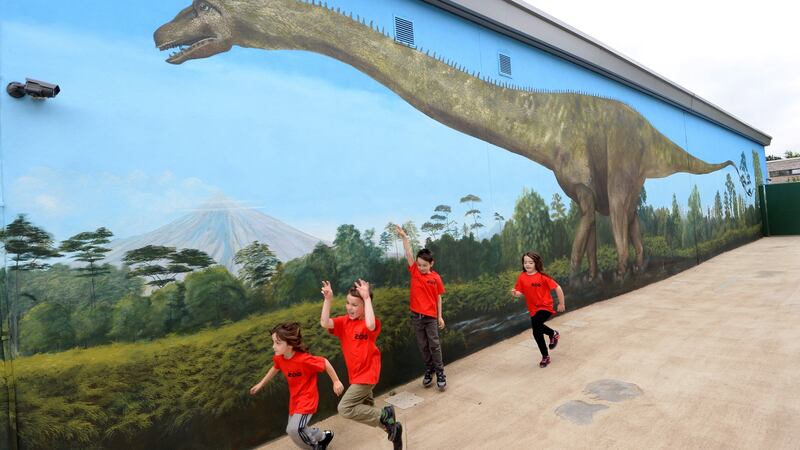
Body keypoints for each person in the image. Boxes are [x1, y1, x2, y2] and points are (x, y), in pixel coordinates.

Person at [320, 279, 403, 449]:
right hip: (355, 376)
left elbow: (371, 324)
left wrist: (366, 299)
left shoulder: (369, 323)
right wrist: (328, 300)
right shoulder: (344, 323)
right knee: (367, 411)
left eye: (355, 305)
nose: (350, 307)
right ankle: (393, 429)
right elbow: (324, 322)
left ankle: (386, 414)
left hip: (367, 374)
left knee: (345, 408)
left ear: (365, 306)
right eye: (348, 303)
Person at [250, 322, 344, 449]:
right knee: (300, 428)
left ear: (290, 344)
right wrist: (261, 384)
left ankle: (315, 447)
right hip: (295, 399)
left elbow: (324, 362)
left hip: (307, 399)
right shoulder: (280, 358)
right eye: (273, 342)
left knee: (293, 430)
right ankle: (322, 436)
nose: (273, 347)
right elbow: (275, 368)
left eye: (277, 343)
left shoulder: (304, 359)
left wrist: (336, 381)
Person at [395, 224, 447, 390]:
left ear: (432, 263)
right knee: (423, 346)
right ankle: (429, 368)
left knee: (434, 345)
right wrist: (404, 237)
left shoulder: (436, 278)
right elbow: (408, 253)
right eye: (419, 265)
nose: (421, 268)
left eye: (425, 265)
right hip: (416, 317)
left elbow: (438, 297)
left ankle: (440, 372)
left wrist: (439, 316)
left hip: (431, 317)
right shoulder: (415, 272)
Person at [510, 251, 566, 368]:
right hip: (533, 309)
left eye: (531, 262)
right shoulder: (522, 277)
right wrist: (516, 294)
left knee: (536, 323)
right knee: (536, 332)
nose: (528, 264)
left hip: (545, 306)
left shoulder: (543, 277)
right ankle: (546, 355)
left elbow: (558, 288)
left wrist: (561, 303)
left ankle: (552, 334)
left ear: (536, 263)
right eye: (525, 262)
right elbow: (521, 292)